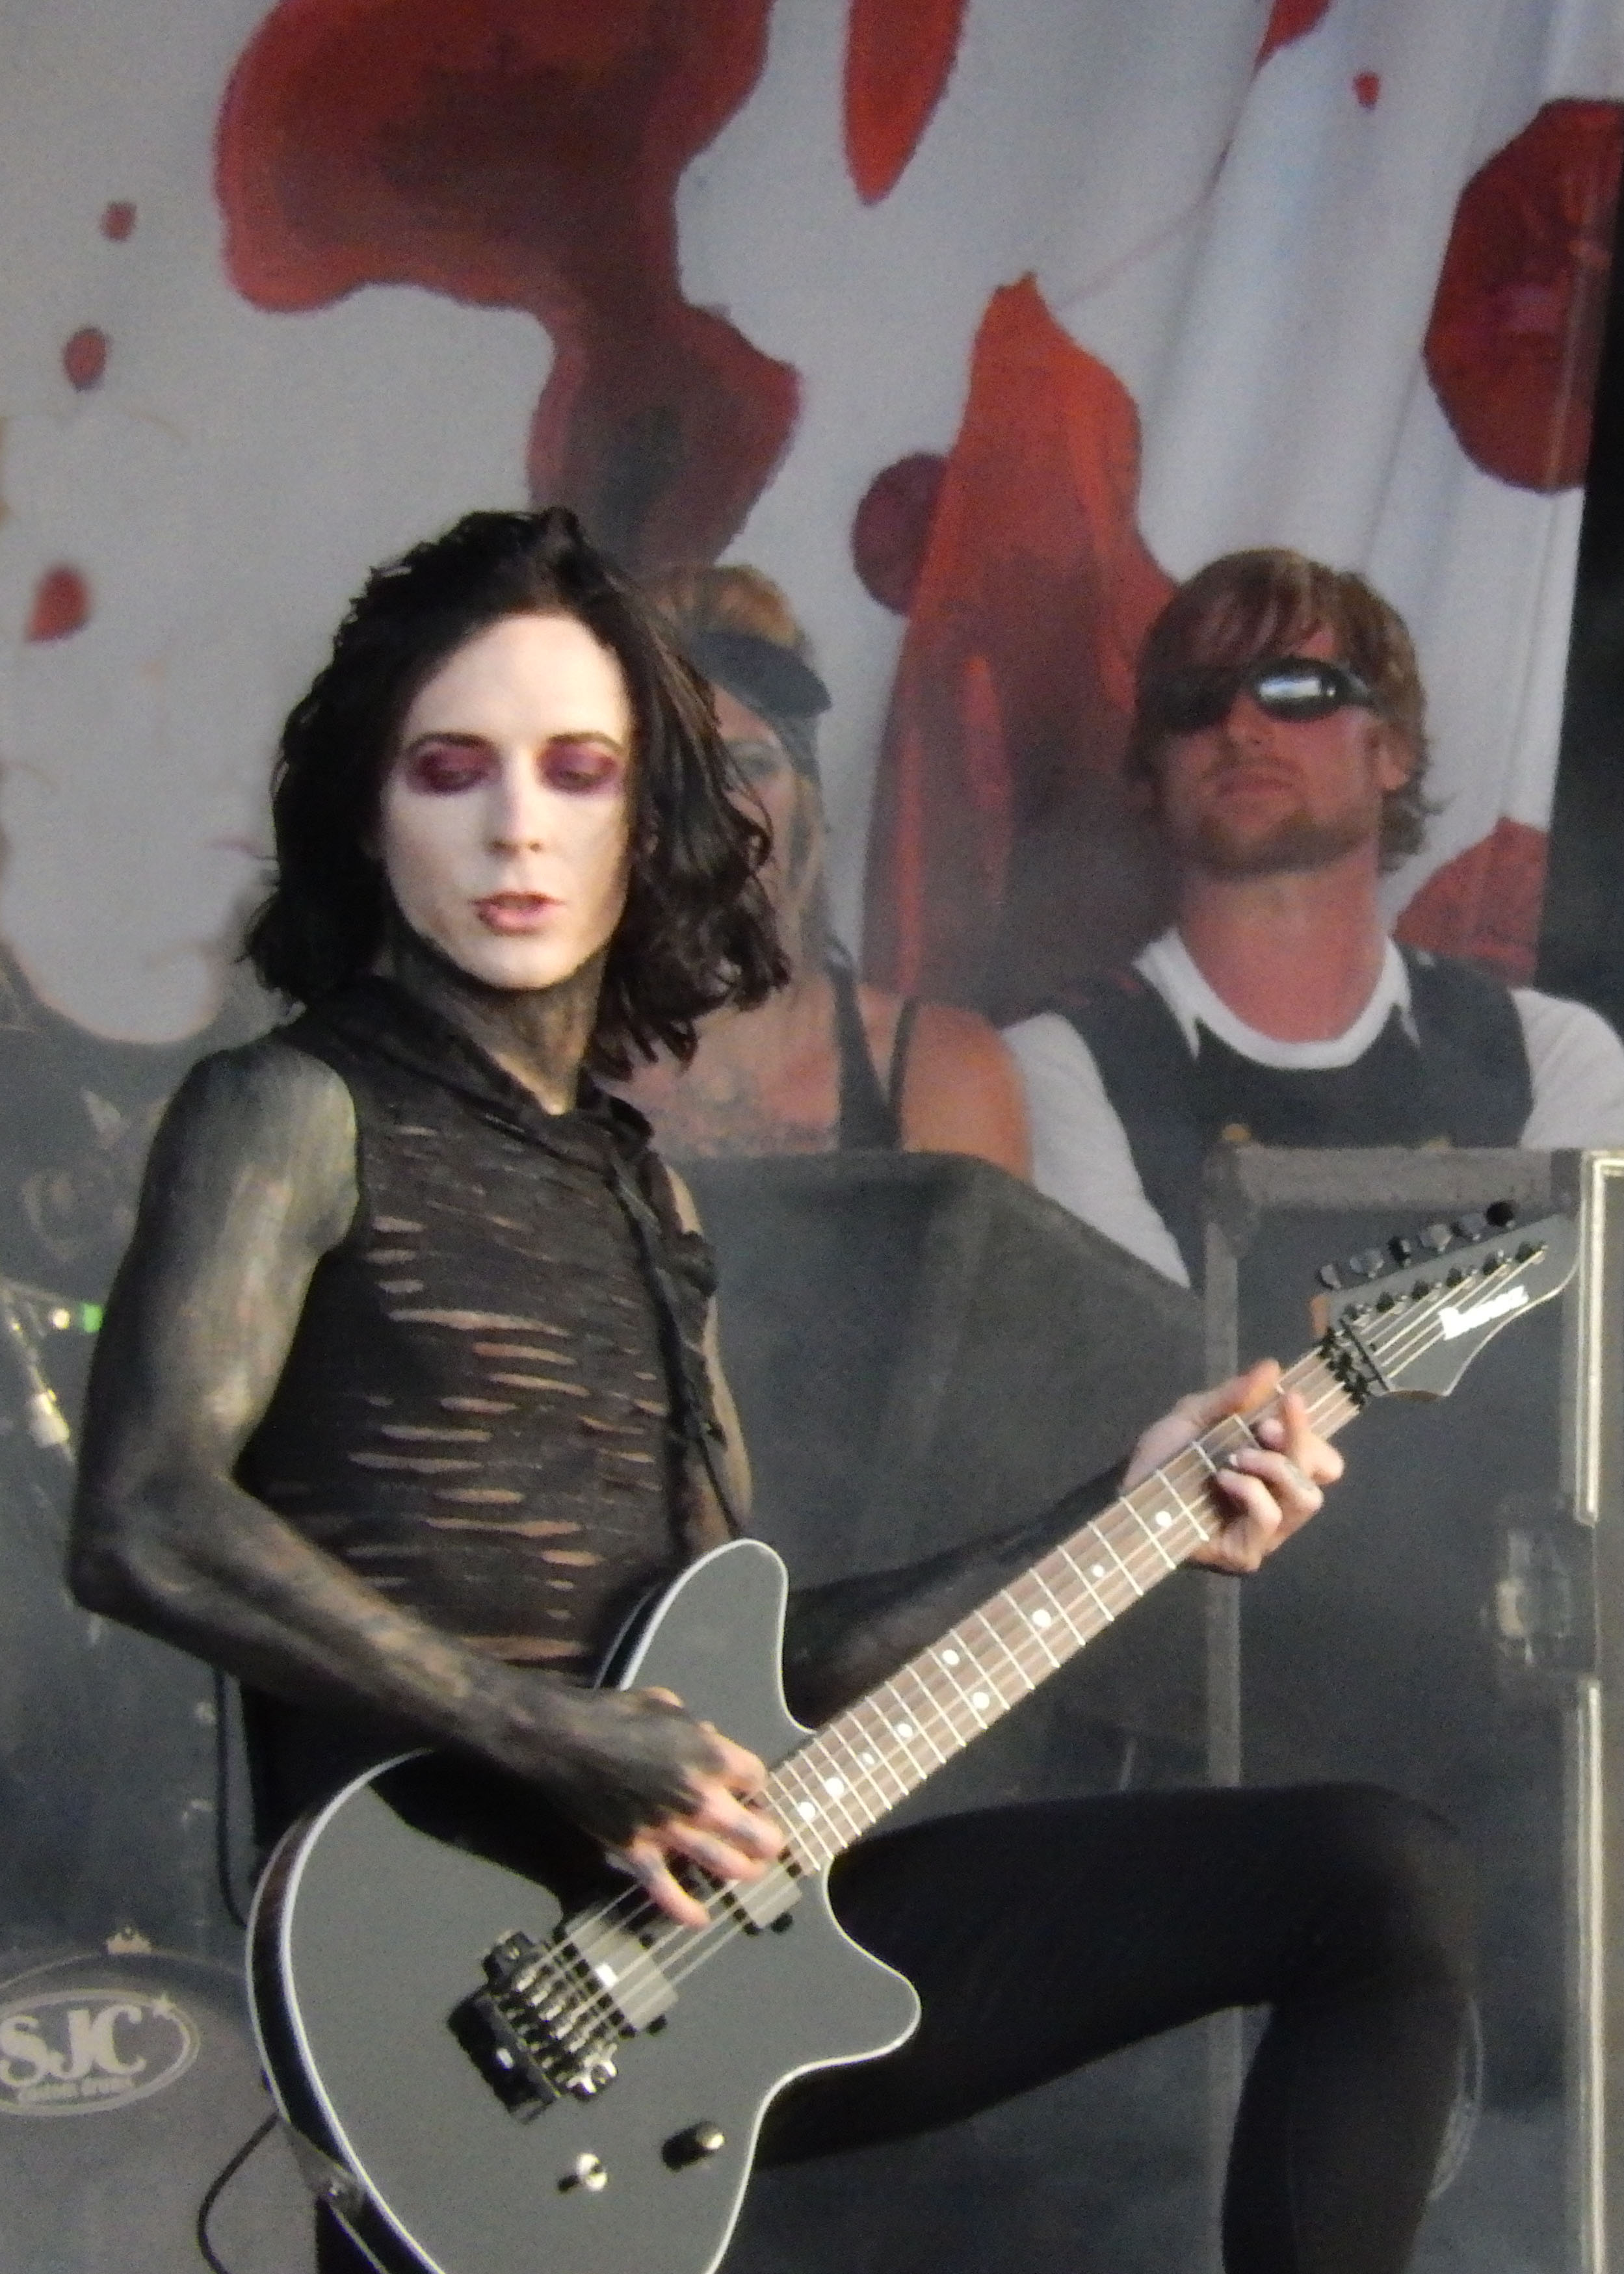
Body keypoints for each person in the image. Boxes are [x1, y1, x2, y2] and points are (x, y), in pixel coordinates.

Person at [69, 509, 1467, 2274]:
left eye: (577, 770)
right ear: (369, 808)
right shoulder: (291, 1108)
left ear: (644, 819)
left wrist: (1121, 1508)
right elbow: (142, 1518)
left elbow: (763, 1663)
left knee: (1372, 1875)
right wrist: (556, 1738)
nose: (516, 825)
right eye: (450, 767)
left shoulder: (640, 1193)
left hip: (703, 1937)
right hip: (450, 1989)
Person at [1005, 548, 1624, 1285]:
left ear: (1390, 749)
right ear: (1151, 766)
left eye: (1296, 689)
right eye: (1196, 700)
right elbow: (1144, 1351)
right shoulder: (1050, 1066)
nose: (1241, 727)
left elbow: (1556, 1336)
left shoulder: (1549, 1055)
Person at [620, 563, 1029, 1170]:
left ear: (805, 805)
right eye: (671, 773)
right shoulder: (537, 1073)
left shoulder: (941, 1070)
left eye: (750, 766)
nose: (713, 812)